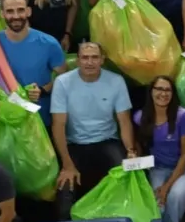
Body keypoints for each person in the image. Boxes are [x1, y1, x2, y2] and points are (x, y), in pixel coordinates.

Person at [51, 42, 134, 198]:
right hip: (74, 143)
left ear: (102, 60)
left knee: (126, 185)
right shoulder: (62, 82)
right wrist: (67, 164)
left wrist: (130, 151)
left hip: (107, 140)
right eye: (85, 58)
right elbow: (58, 125)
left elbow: (124, 121)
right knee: (65, 193)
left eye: (95, 57)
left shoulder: (116, 81)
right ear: (78, 60)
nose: (90, 62)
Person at [0, 0, 67, 124]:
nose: (16, 16)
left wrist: (43, 90)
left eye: (20, 10)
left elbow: (63, 79)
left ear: (28, 11)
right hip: (3, 119)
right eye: (10, 11)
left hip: (39, 120)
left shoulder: (49, 43)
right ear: (2, 14)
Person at [134, 75, 185, 222]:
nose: (163, 94)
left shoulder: (183, 116)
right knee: (157, 202)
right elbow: (140, 146)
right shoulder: (140, 117)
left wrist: (167, 186)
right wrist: (134, 155)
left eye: (167, 90)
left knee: (176, 196)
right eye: (159, 89)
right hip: (158, 167)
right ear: (151, 92)